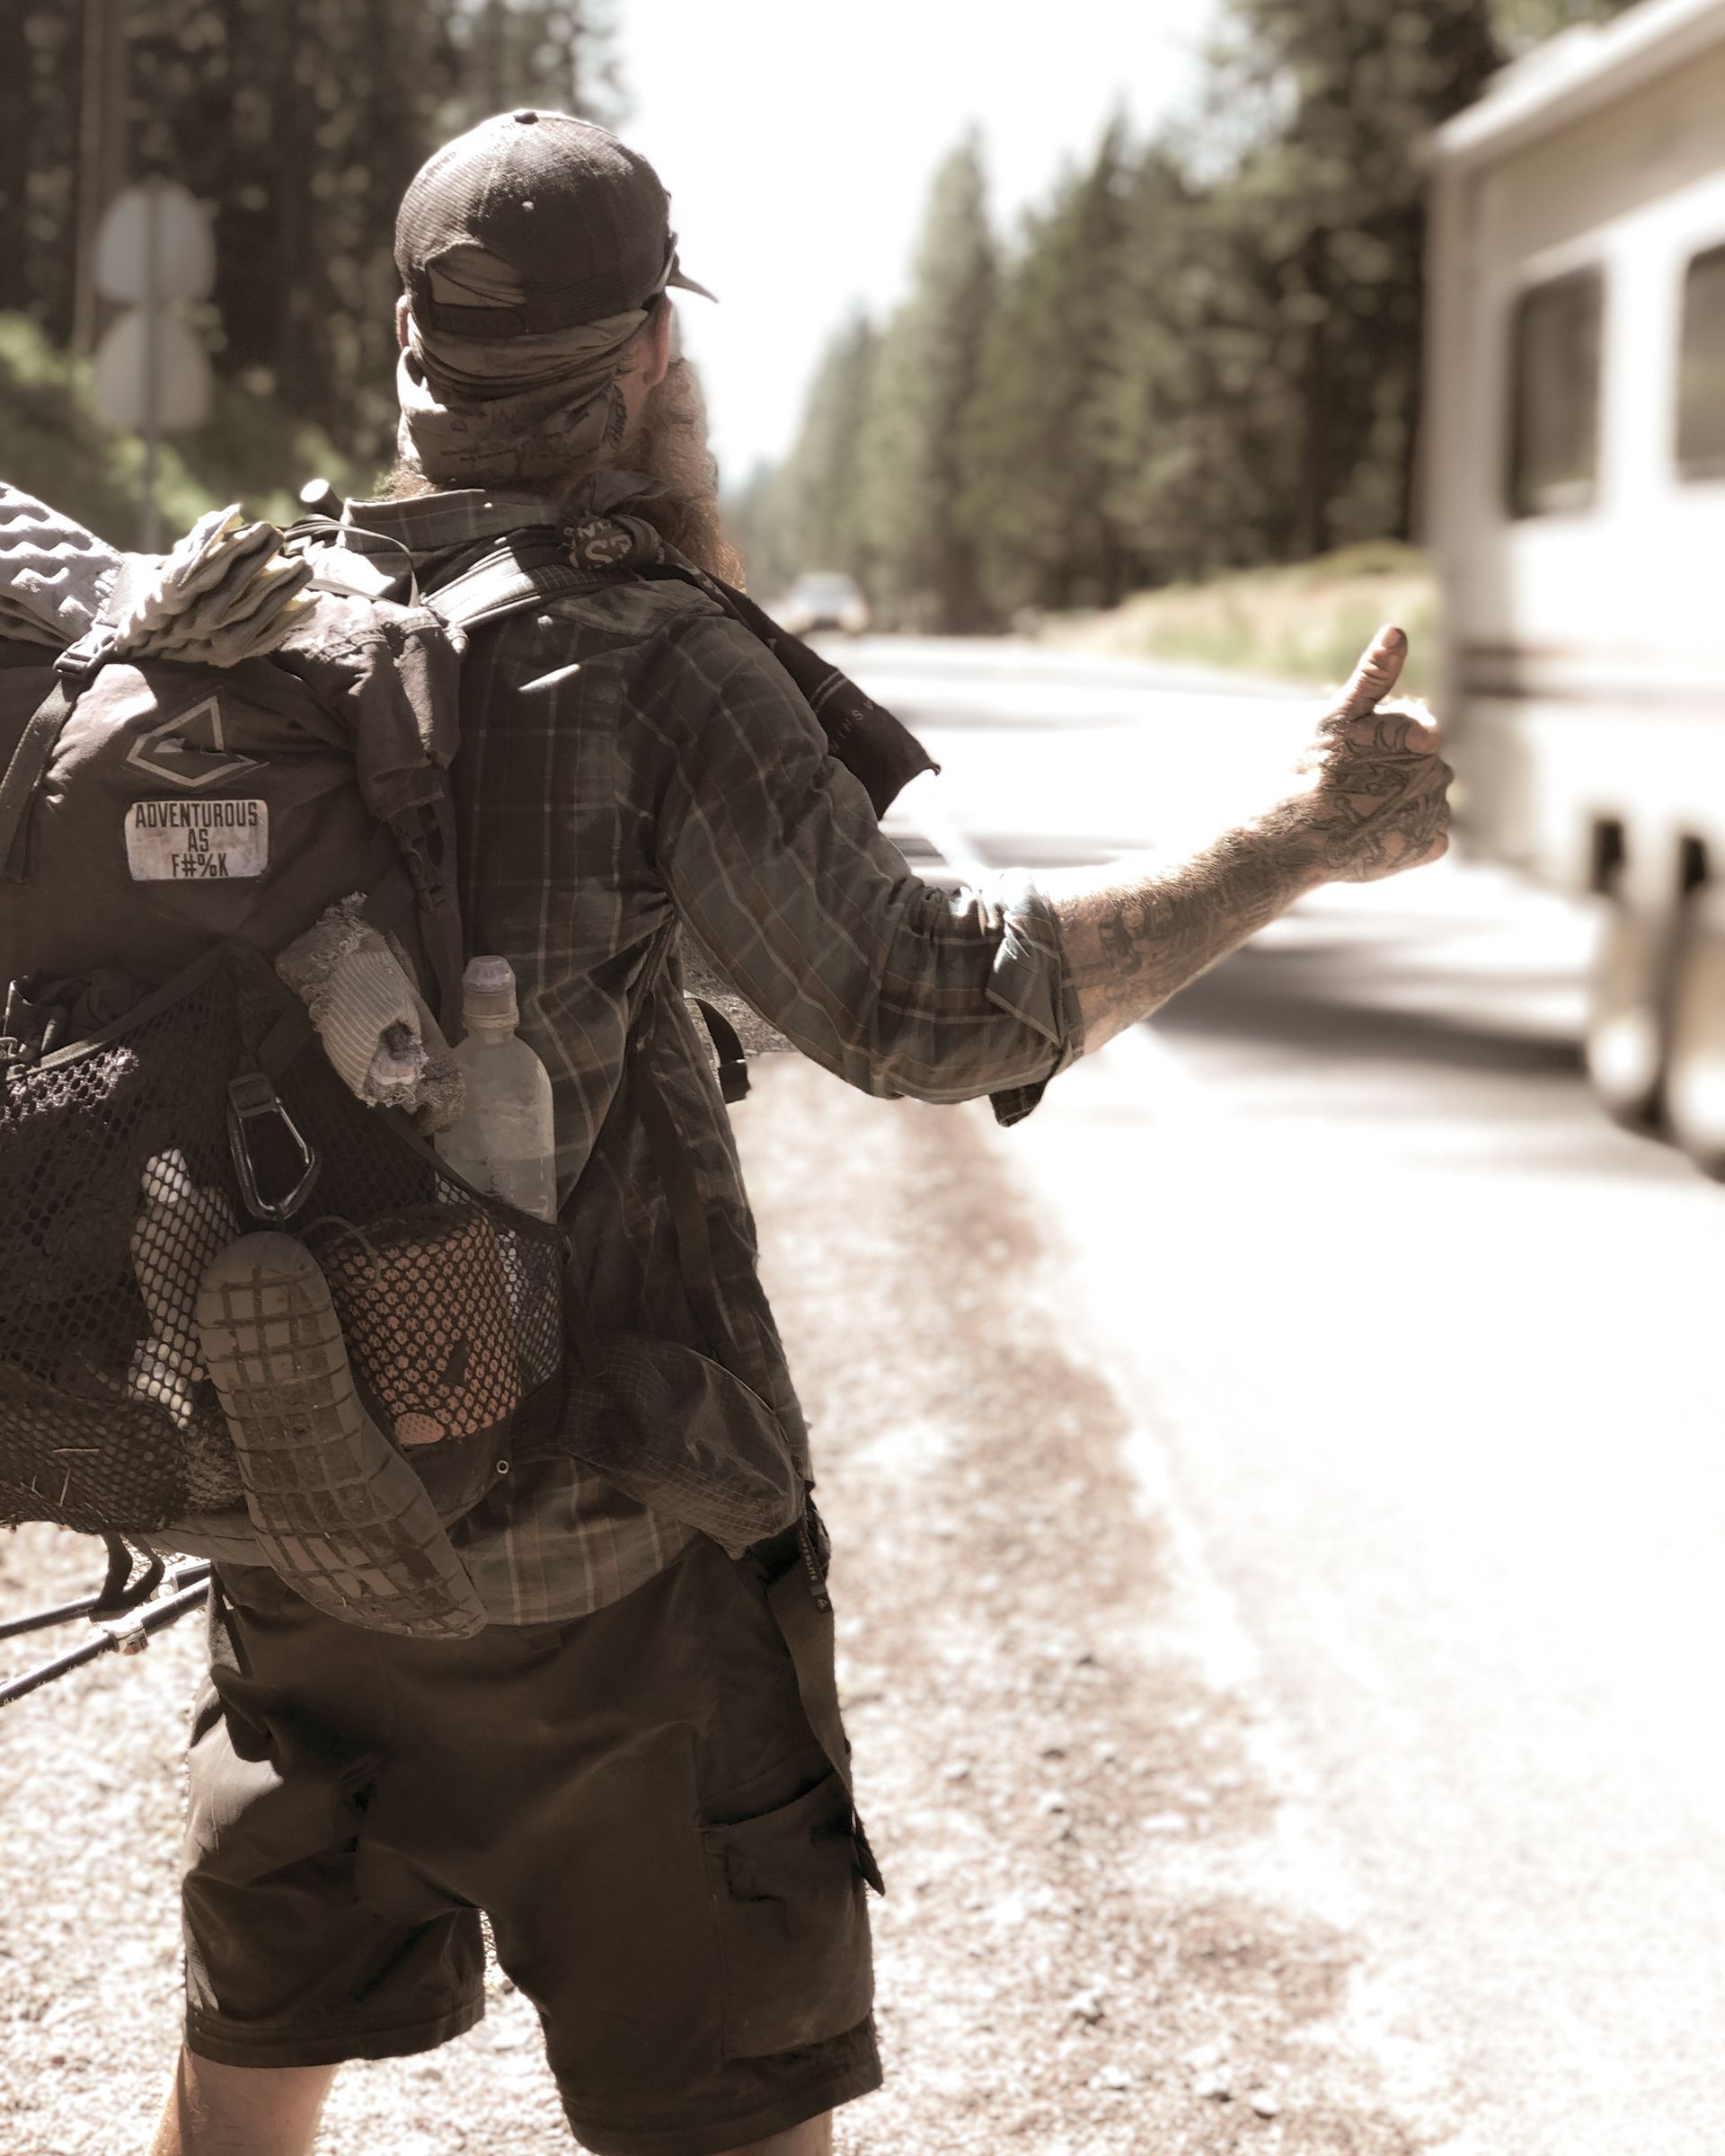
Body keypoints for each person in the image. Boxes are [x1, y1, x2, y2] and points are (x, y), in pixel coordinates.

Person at [148, 111, 1450, 2156]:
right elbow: (935, 1010)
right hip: (611, 1574)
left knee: (239, 2118)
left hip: (300, 1521)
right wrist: (1297, 838)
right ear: (649, 358)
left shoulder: (240, 634)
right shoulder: (651, 663)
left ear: (408, 352)